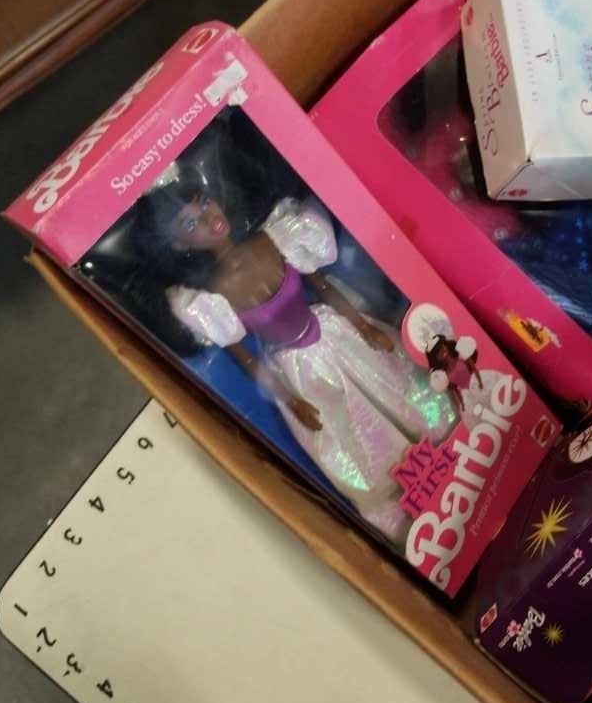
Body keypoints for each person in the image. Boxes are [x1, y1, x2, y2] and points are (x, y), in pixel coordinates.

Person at [133, 183, 456, 545]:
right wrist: (291, 400)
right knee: (357, 439)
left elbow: (324, 288)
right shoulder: (211, 298)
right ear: (180, 245)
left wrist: (364, 327)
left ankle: (454, 444)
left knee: (400, 390)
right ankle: (414, 502)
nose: (210, 219)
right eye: (191, 224)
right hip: (301, 373)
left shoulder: (277, 239)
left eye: (205, 202)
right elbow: (248, 359)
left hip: (335, 334)